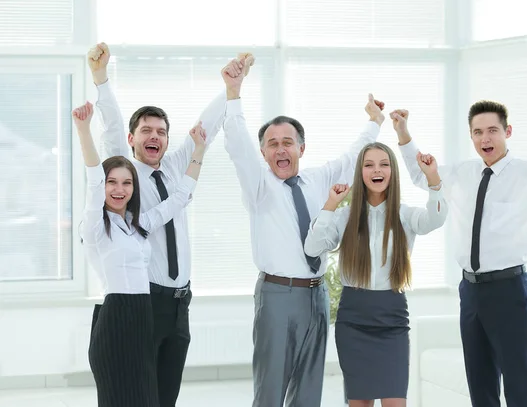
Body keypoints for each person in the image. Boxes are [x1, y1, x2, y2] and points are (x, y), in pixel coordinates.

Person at [86, 43, 252, 406]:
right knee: (139, 396)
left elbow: (205, 127)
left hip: (180, 303)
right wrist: (101, 80)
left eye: (161, 131)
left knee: (166, 397)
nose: (154, 137)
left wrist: (230, 89)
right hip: (147, 300)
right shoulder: (126, 175)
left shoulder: (176, 168)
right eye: (146, 131)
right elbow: (112, 125)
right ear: (132, 141)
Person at [393, 101, 527, 407]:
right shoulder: (461, 173)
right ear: (471, 137)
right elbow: (422, 176)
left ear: (507, 132)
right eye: (478, 132)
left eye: (493, 131)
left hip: (509, 291)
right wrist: (403, 132)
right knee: (480, 382)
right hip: (470, 290)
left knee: (518, 381)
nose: (485, 139)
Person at [220, 56, 385, 406]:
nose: (281, 149)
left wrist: (374, 122)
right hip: (278, 296)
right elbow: (237, 145)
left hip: (317, 295)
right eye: (272, 143)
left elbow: (353, 157)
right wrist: (233, 92)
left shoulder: (318, 179)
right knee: (271, 389)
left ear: (301, 148)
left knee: (309, 389)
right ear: (264, 152)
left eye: (288, 142)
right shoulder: (259, 186)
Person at [72, 101, 207, 407]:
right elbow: (94, 176)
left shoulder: (137, 226)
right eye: (112, 183)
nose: (119, 189)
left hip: (144, 317)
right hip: (116, 321)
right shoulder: (95, 225)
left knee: (150, 400)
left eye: (127, 183)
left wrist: (198, 149)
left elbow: (180, 198)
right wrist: (83, 129)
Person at [304, 142, 447, 407]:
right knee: (360, 403)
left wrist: (433, 180)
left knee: (395, 401)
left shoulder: (405, 215)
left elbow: (436, 219)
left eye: (384, 164)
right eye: (369, 165)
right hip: (354, 319)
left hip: (392, 318)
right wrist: (330, 205)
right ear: (360, 172)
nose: (376, 170)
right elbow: (312, 247)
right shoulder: (345, 216)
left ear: (393, 171)